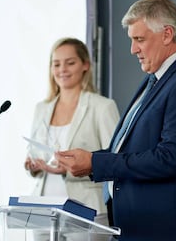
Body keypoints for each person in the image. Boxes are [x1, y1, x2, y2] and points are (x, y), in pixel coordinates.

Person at [55, 0, 176, 241]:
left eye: (139, 39)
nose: (133, 49)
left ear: (166, 34)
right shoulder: (157, 78)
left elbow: (169, 158)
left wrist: (95, 163)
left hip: (165, 231)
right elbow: (133, 149)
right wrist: (89, 160)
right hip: (135, 227)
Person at [24, 37, 120, 240]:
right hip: (43, 210)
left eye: (70, 62)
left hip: (86, 210)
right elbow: (34, 152)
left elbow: (115, 162)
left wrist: (69, 168)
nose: (62, 69)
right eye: (56, 64)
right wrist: (32, 164)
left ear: (85, 65)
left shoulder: (102, 107)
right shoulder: (41, 109)